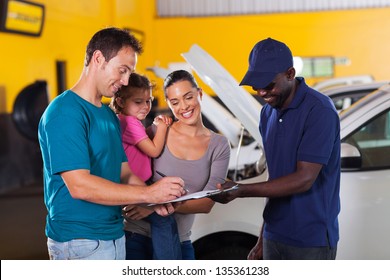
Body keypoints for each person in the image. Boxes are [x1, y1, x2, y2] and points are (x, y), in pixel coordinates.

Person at [38, 27, 185, 260]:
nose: (126, 80)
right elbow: (80, 186)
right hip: (79, 242)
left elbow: (124, 173)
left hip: (114, 234)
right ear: (98, 59)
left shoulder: (108, 116)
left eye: (129, 72)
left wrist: (151, 200)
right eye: (122, 70)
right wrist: (150, 192)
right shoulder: (65, 112)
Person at [212, 38, 341, 260]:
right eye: (256, 85)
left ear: (290, 74)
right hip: (274, 236)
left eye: (268, 84)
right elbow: (277, 178)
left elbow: (304, 179)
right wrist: (263, 238)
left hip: (310, 240)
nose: (261, 92)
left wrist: (242, 190)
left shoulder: (319, 111)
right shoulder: (267, 114)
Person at [122, 69, 231, 259]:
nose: (184, 107)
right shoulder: (158, 131)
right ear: (169, 105)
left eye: (188, 97)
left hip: (179, 241)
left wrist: (153, 203)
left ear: (200, 94)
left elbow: (206, 204)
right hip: (135, 237)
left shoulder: (219, 145)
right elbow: (127, 168)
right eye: (174, 102)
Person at [111, 72, 182, 260]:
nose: (145, 107)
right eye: (138, 102)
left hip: (133, 184)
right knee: (164, 220)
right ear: (120, 101)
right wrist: (163, 126)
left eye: (149, 101)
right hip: (134, 186)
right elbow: (154, 150)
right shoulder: (130, 122)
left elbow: (142, 140)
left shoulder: (123, 120)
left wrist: (154, 127)